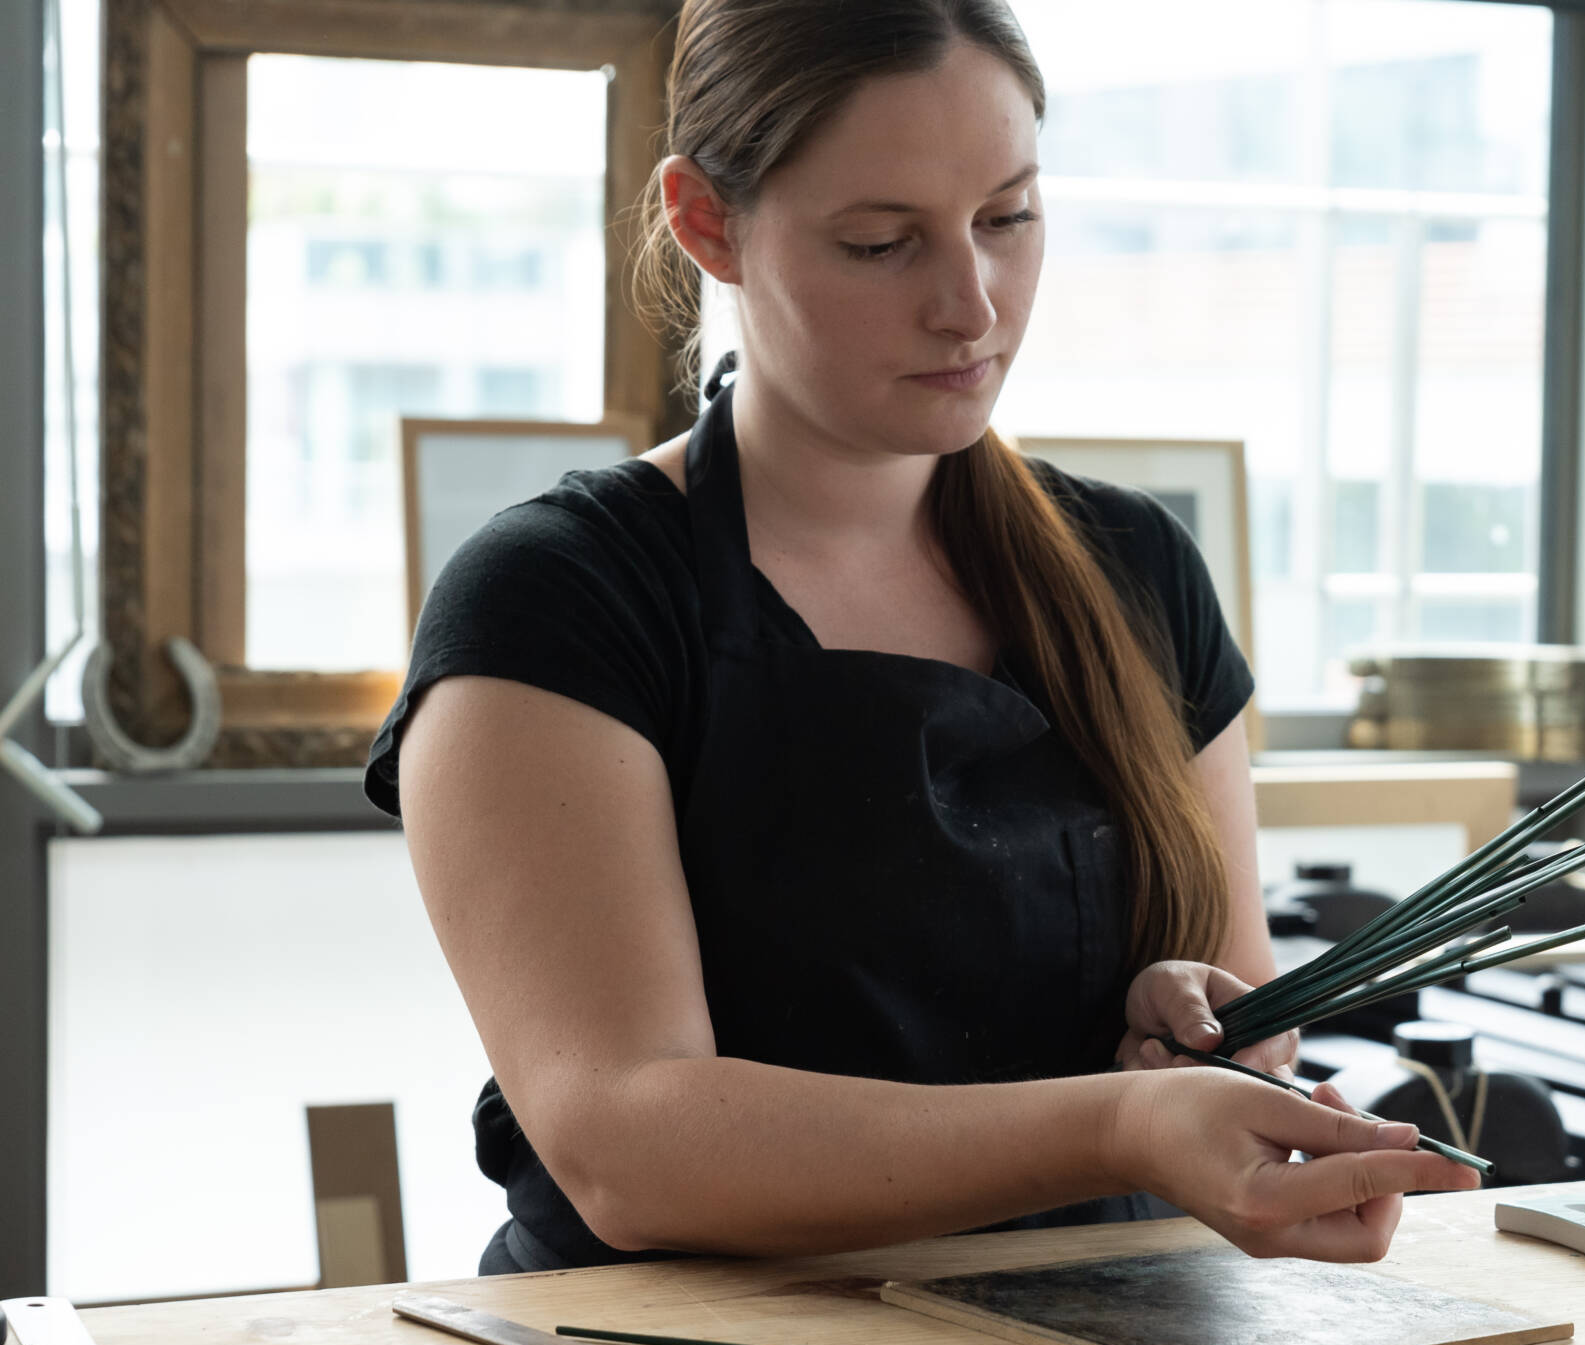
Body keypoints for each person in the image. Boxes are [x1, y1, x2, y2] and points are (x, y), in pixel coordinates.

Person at [364, 0, 1480, 1275]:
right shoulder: (557, 599)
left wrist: (1196, 1027)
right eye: (881, 243)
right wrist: (1119, 1121)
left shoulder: (1135, 570)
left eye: (1008, 218)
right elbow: (628, 1145)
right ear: (705, 222)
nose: (971, 304)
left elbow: (1243, 1011)